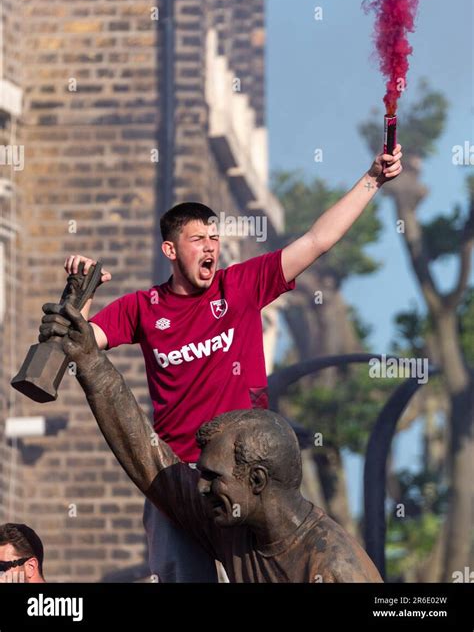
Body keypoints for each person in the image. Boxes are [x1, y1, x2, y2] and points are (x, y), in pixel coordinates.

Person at [39, 145, 403, 581]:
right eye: (198, 240)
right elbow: (79, 344)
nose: (210, 248)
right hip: (177, 478)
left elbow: (316, 241)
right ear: (170, 250)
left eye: (214, 239)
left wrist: (372, 180)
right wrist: (80, 294)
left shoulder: (242, 285)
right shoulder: (142, 307)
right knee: (179, 576)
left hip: (245, 478)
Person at [53, 302, 382, 583]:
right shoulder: (235, 519)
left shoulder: (334, 567)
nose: (201, 487)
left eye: (213, 477)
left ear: (256, 480)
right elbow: (149, 458)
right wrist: (90, 362)